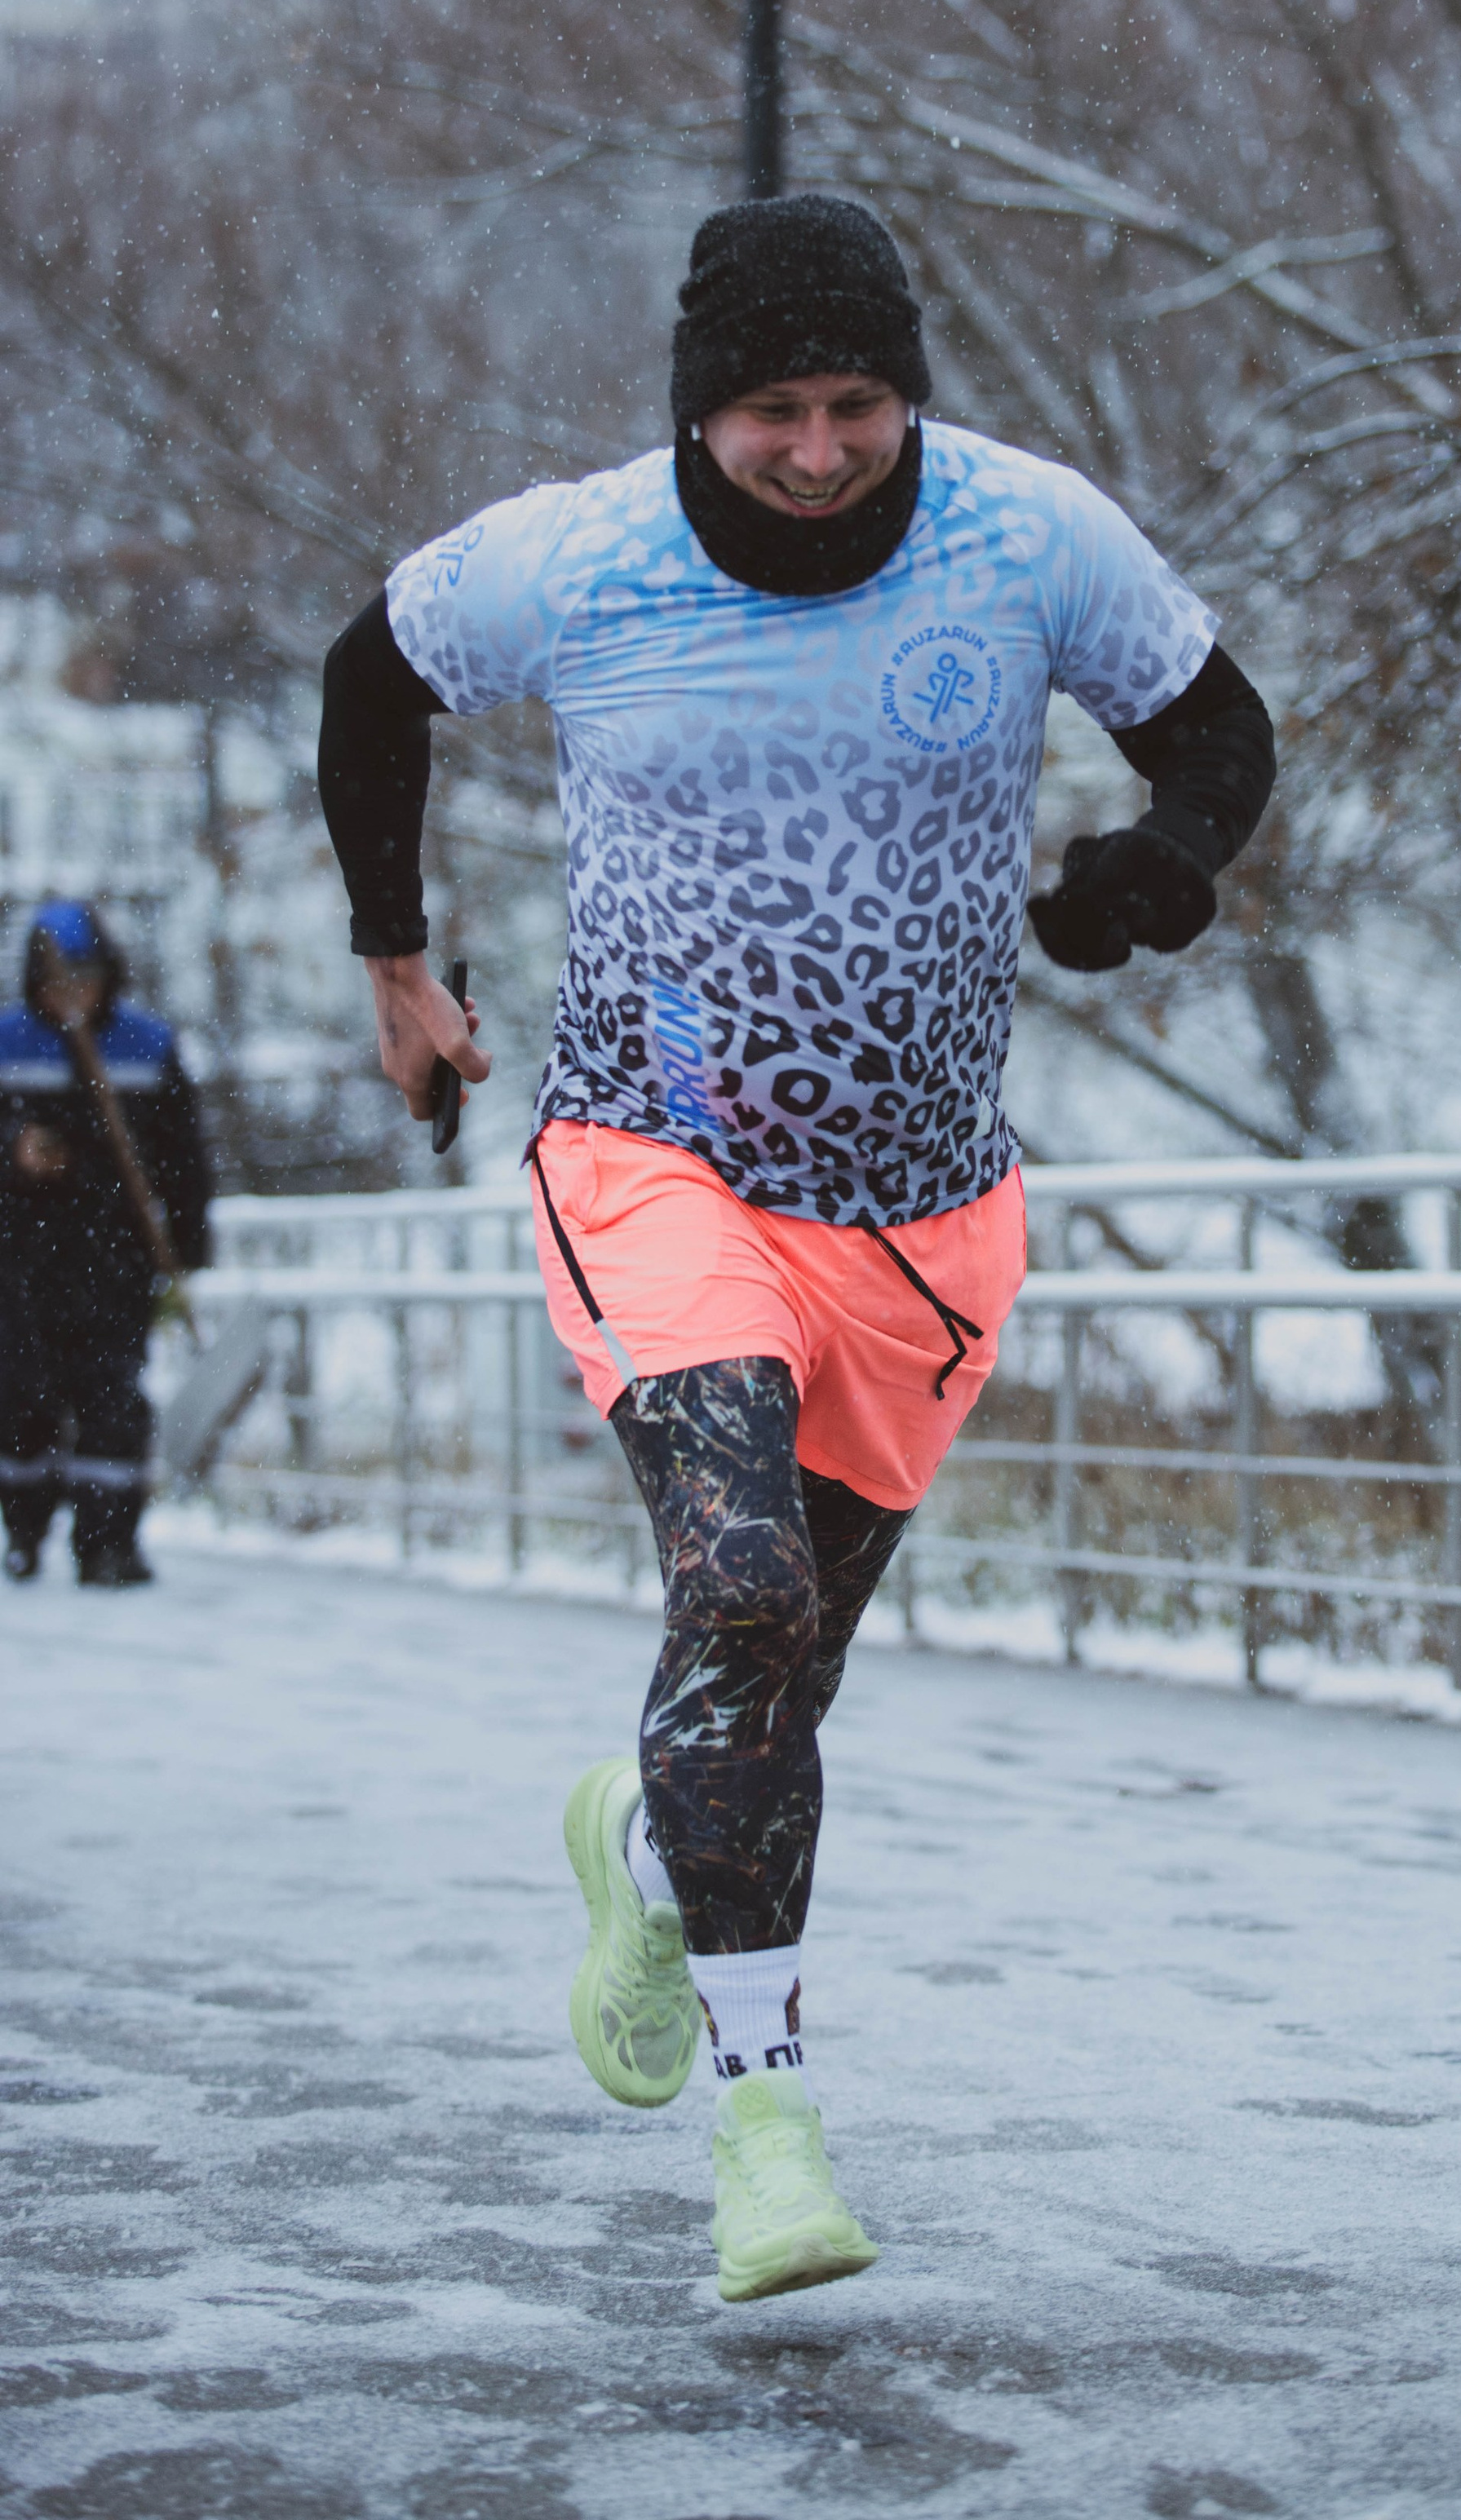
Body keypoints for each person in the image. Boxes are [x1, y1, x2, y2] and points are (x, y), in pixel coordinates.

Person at [317, 194, 1274, 2302]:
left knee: (775, 1675)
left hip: (926, 1219)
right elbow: (369, 680)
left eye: (857, 405)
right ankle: (769, 2135)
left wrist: (1168, 857)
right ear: (701, 409)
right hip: (656, 1163)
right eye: (774, 413)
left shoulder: (1029, 537)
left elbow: (1221, 729)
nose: (822, 450)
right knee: (739, 1589)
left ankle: (649, 1846)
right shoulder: (576, 560)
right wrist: (396, 962)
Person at [0, 900, 213, 1588]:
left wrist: (189, 1245)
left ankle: (108, 1543)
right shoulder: (7, 1043)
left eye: (84, 978)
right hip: (19, 1259)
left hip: (115, 1258)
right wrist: (16, 1150)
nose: (72, 995)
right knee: (23, 1399)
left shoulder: (145, 1046)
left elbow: (184, 1156)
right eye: (57, 981)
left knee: (112, 1397)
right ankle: (24, 1526)